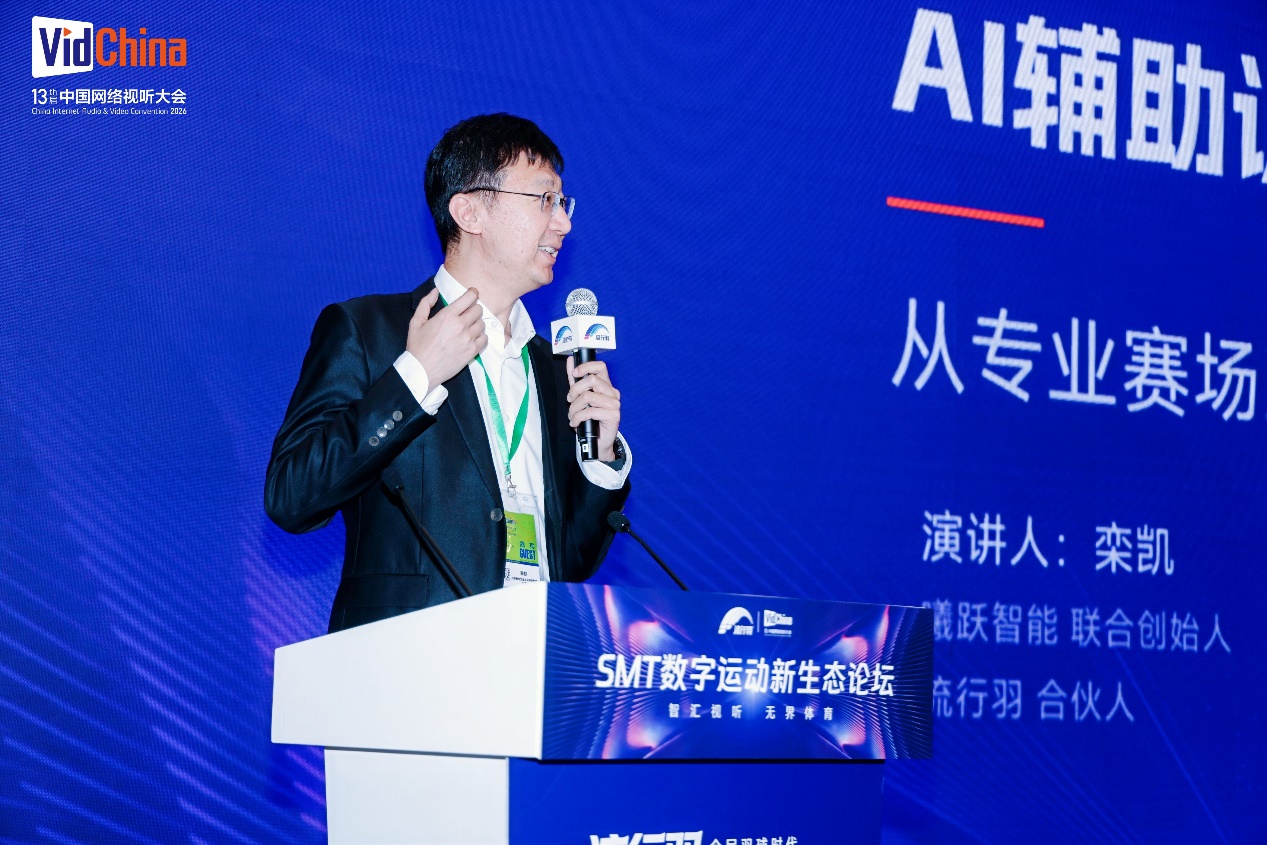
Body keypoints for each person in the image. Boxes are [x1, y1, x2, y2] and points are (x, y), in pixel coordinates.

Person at [265, 114, 631, 632]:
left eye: (562, 202)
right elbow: (291, 497)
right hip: (404, 657)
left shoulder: (554, 368)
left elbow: (571, 563)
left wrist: (601, 460)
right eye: (544, 199)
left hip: (529, 654)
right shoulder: (370, 331)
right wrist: (415, 377)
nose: (563, 224)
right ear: (469, 211)